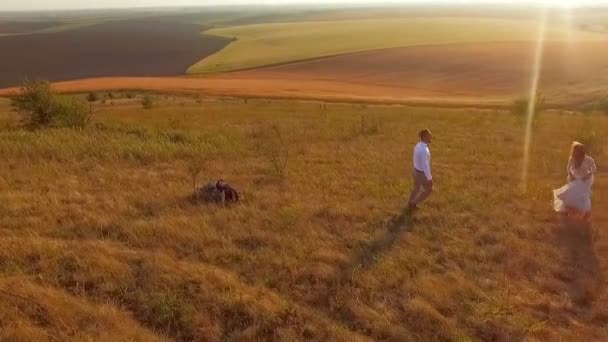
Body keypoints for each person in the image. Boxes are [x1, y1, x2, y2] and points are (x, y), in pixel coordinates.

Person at [553, 142, 597, 222]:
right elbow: (568, 168)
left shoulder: (588, 159)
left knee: (583, 196)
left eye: (578, 150)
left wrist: (588, 175)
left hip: (586, 179)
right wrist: (571, 175)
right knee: (570, 193)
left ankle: (586, 213)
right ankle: (567, 210)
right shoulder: (572, 158)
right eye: (575, 150)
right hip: (575, 178)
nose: (576, 152)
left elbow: (594, 168)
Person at [408, 129, 433, 210]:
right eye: (429, 135)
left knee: (416, 188)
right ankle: (413, 203)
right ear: (425, 137)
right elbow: (425, 166)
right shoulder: (424, 150)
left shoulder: (418, 145)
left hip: (415, 171)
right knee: (429, 190)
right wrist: (429, 178)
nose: (431, 137)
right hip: (421, 173)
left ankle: (410, 202)